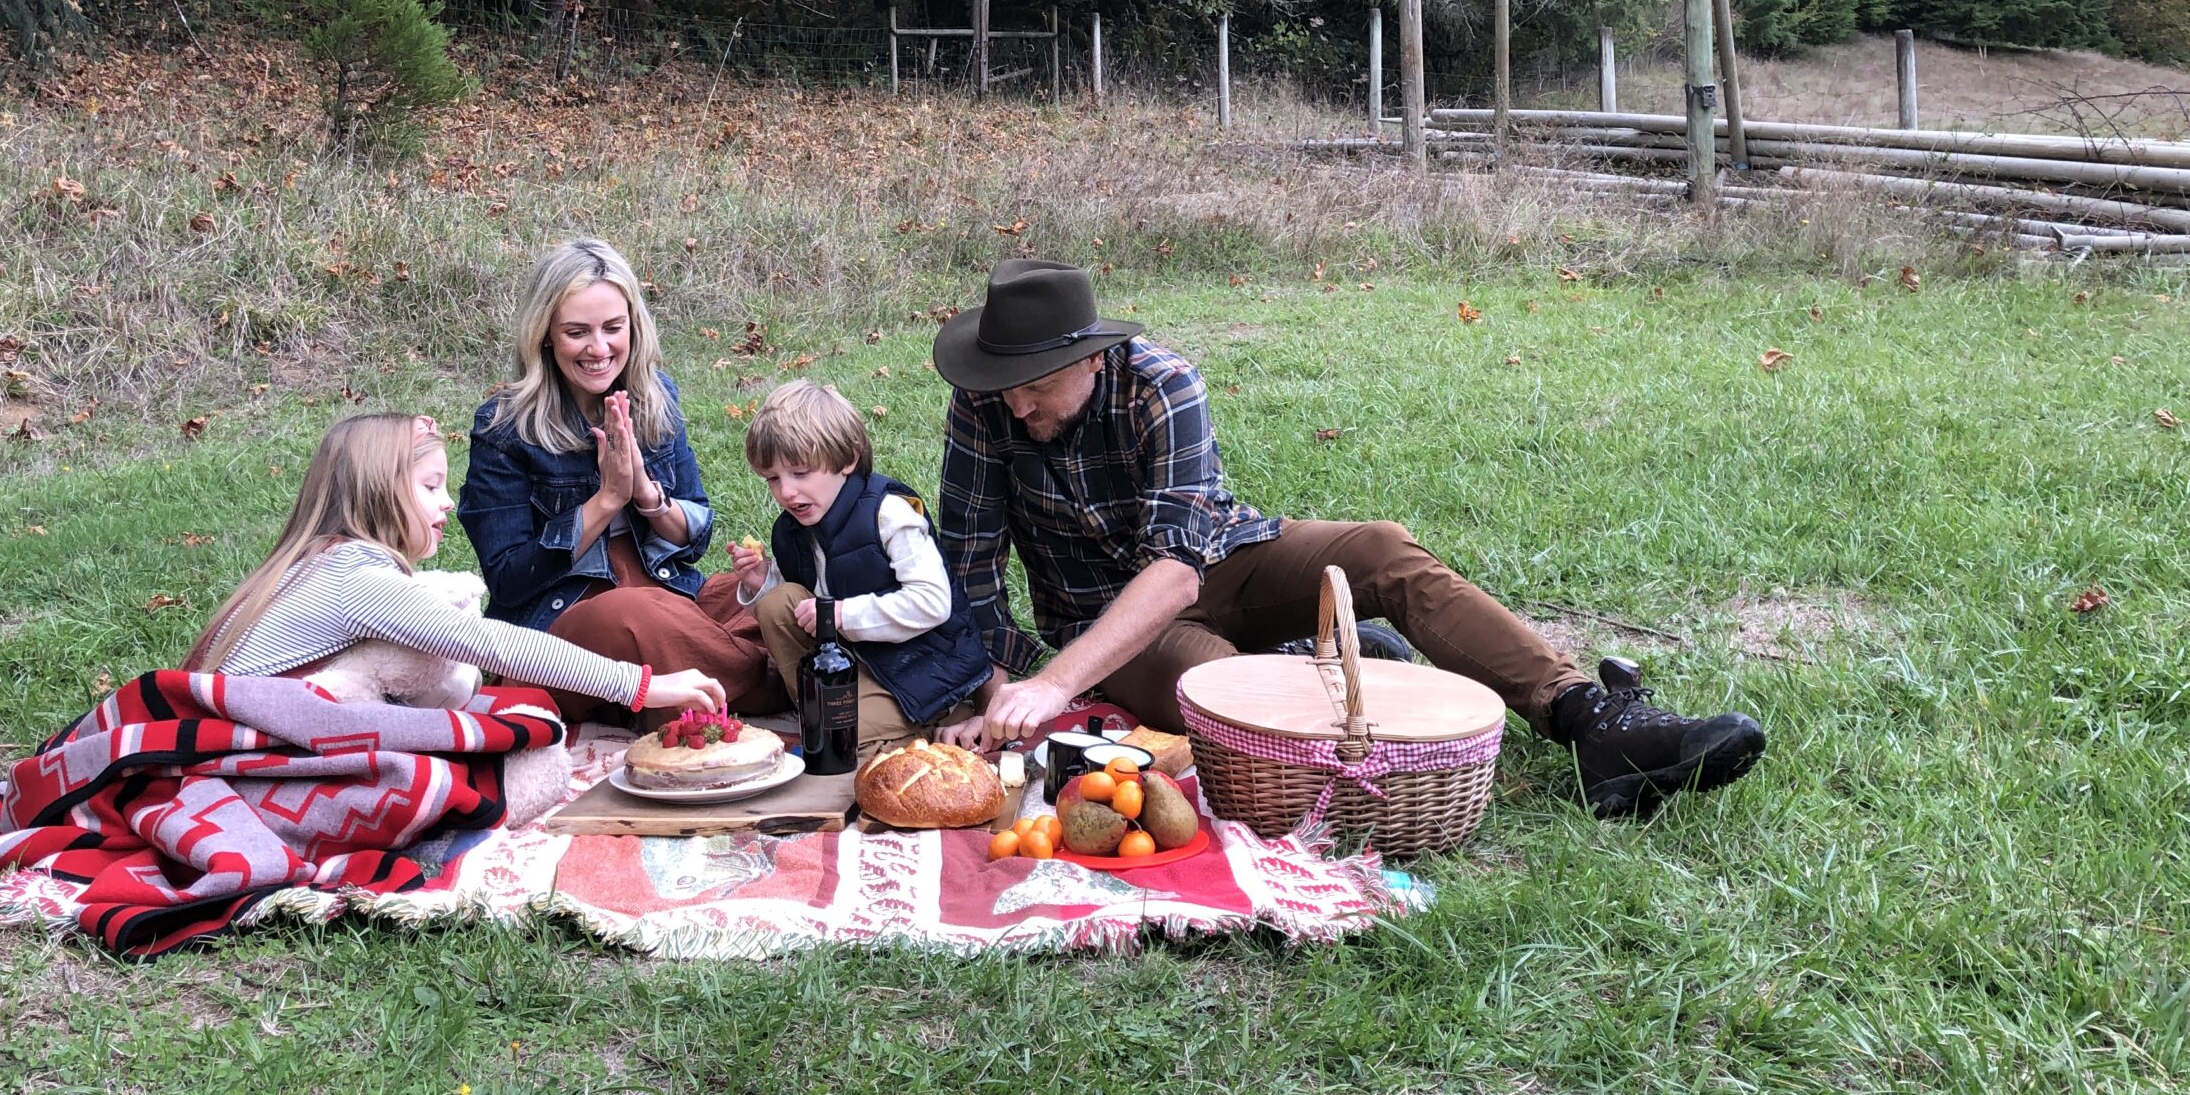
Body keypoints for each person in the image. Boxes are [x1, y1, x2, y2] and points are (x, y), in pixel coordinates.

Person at [933, 260, 1767, 818]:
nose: (1017, 406)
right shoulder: (982, 405)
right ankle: (1326, 675)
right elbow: (971, 569)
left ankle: (1592, 721)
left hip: (1206, 563)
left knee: (1380, 550)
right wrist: (997, 689)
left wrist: (1053, 688)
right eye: (1005, 388)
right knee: (1215, 683)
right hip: (1098, 624)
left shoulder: (1162, 384)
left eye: (1036, 387)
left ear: (1092, 360)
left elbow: (1179, 571)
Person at [186, 410, 727, 719]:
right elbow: (493, 643)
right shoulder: (358, 580)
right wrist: (644, 687)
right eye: (429, 486)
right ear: (378, 492)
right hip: (259, 747)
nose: (448, 502)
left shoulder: (320, 563)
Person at [456, 237, 787, 720]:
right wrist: (607, 500)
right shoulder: (505, 428)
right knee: (639, 614)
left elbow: (694, 538)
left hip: (664, 591)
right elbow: (509, 580)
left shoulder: (655, 396)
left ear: (634, 324)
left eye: (613, 328)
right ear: (545, 333)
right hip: (559, 630)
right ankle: (775, 681)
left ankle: (681, 686)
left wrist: (648, 497)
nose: (599, 348)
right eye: (576, 332)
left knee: (764, 598)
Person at [733, 380, 993, 756]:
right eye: (773, 478)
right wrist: (762, 582)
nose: (786, 492)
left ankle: (933, 722)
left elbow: (933, 603)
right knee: (778, 602)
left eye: (800, 473)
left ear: (848, 460)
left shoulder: (889, 515)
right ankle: (825, 711)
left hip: (920, 674)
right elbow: (809, 597)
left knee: (839, 734)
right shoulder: (793, 529)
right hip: (857, 662)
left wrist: (843, 613)